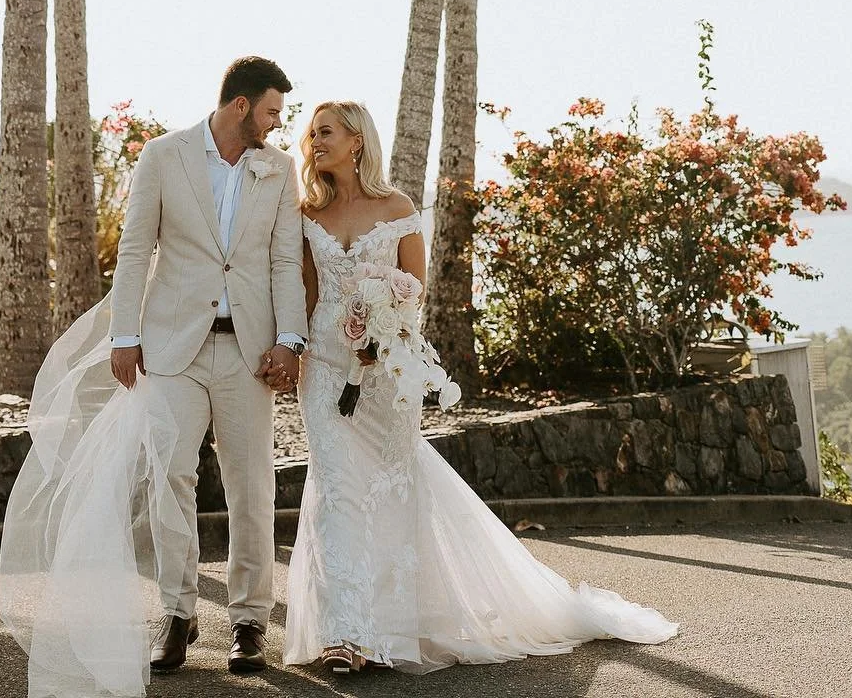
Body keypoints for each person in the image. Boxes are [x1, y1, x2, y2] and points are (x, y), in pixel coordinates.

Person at [285, 100, 677, 674]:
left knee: (391, 493)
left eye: (325, 131)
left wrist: (383, 338)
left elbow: (412, 293)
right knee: (336, 494)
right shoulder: (306, 214)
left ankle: (391, 628)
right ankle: (345, 633)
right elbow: (306, 294)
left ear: (356, 142)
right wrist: (296, 352)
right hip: (323, 369)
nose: (313, 140)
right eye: (310, 133)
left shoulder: (396, 209)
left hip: (382, 374)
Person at [0, 55, 307, 692]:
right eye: (273, 111)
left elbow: (283, 259)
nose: (279, 125)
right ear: (242, 105)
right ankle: (179, 612)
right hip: (173, 348)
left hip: (250, 351)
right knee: (172, 477)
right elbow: (137, 246)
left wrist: (290, 341)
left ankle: (249, 620)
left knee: (251, 484)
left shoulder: (279, 170)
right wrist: (126, 334)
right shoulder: (163, 157)